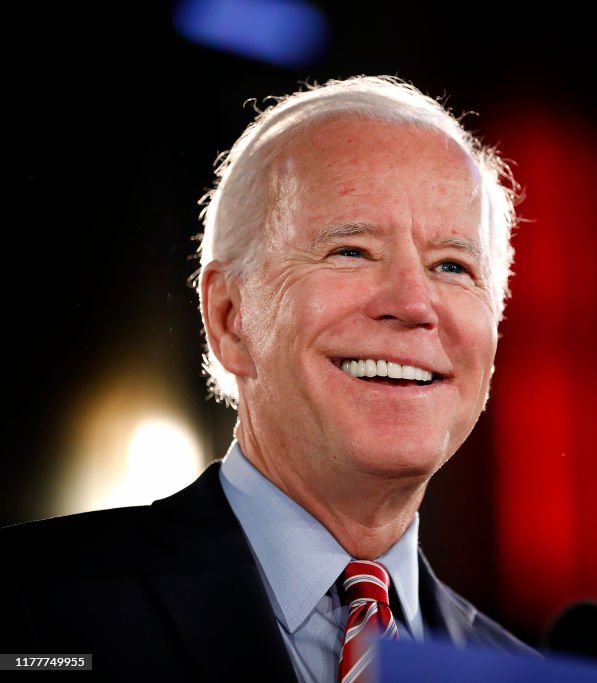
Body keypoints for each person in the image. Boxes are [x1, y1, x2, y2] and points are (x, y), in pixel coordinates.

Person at [0, 75, 533, 682]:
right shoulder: (31, 608)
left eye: (452, 265)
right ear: (230, 319)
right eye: (351, 251)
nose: (414, 303)